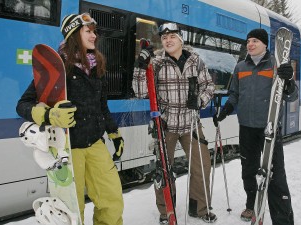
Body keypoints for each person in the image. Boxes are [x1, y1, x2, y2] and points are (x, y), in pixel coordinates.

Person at [16, 13, 124, 225]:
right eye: (88, 31)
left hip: (95, 144)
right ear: (74, 34)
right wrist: (49, 115)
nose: (94, 36)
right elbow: (23, 104)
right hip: (68, 148)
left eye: (94, 31)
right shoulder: (57, 67)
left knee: (112, 200)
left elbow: (102, 105)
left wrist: (114, 133)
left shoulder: (97, 67)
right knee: (73, 208)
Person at [133, 22, 216, 224]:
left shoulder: (195, 61)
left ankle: (200, 208)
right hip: (165, 126)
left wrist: (201, 100)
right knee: (163, 171)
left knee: (202, 166)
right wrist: (140, 67)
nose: (168, 40)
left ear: (181, 39)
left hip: (191, 124)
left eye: (172, 36)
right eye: (164, 37)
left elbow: (209, 86)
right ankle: (166, 211)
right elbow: (140, 92)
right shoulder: (157, 62)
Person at [214, 28, 297, 225]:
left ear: (265, 44)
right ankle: (252, 204)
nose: (250, 44)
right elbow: (234, 93)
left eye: (254, 41)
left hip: (269, 129)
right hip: (247, 127)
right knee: (248, 170)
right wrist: (226, 109)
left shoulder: (277, 65)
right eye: (248, 41)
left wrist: (289, 81)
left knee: (276, 175)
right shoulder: (241, 66)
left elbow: (290, 96)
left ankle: (282, 219)